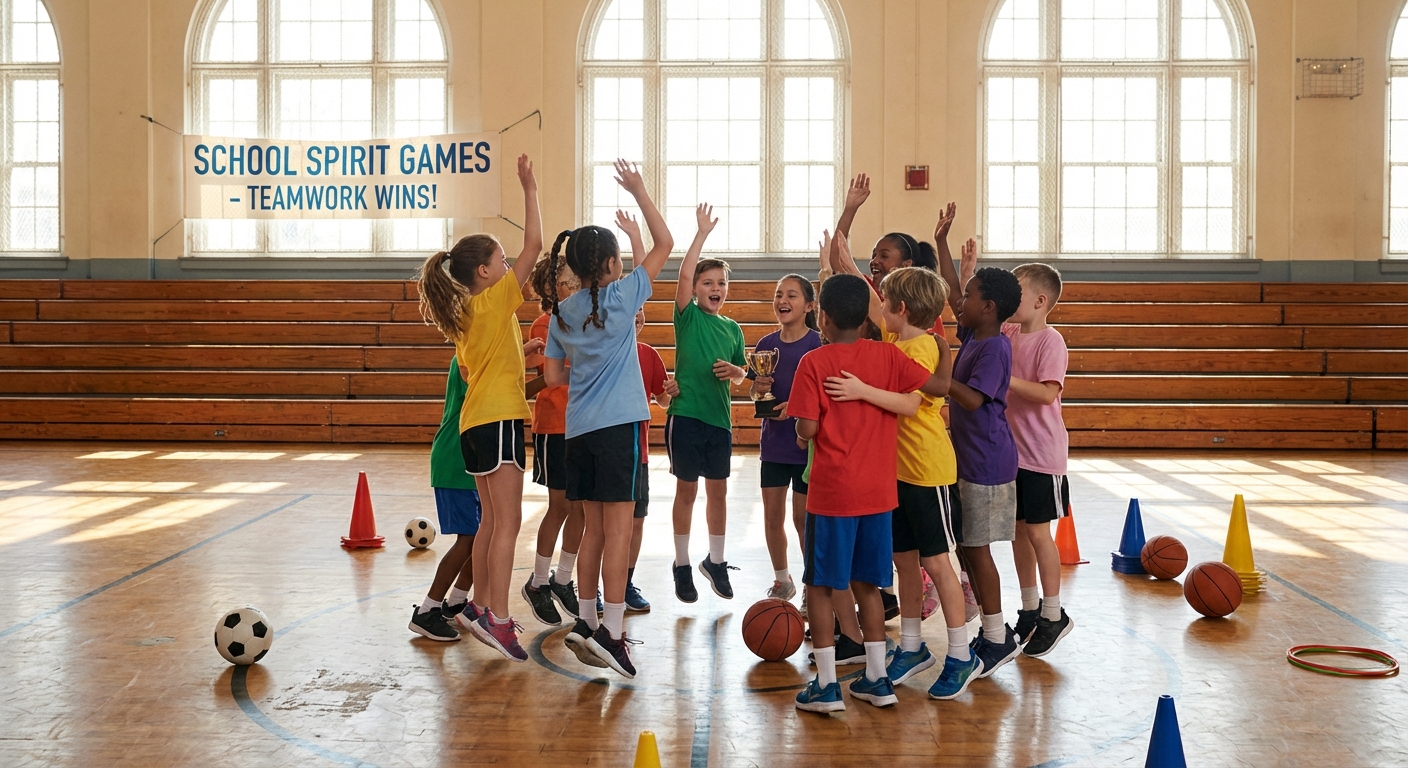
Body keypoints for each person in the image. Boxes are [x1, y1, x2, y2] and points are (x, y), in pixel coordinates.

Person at [789, 257, 952, 714]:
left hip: (832, 494)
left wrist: (803, 421)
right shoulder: (889, 355)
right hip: (879, 496)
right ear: (867, 317)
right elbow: (937, 389)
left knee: (822, 587)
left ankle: (825, 686)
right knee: (869, 587)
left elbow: (806, 429)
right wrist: (944, 346)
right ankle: (878, 679)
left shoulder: (813, 362)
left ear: (820, 316)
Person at [823, 251, 983, 700]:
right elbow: (871, 307)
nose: (882, 308)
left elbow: (912, 404)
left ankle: (960, 653)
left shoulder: (923, 347)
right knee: (905, 562)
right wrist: (848, 267)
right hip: (898, 473)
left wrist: (860, 390)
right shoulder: (900, 344)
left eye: (888, 301)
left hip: (928, 469)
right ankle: (912, 646)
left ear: (903, 310)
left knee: (936, 562)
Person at [541, 159, 673, 678]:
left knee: (592, 531)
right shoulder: (622, 297)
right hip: (618, 429)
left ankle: (588, 621)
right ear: (614, 264)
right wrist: (640, 191)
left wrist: (585, 383)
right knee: (619, 533)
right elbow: (664, 243)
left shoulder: (561, 311)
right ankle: (613, 635)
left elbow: (553, 374)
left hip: (579, 430)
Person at [415, 154, 542, 662]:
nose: (512, 264)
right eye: (503, 260)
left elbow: (494, 361)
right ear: (485, 272)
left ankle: (480, 609)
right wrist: (529, 188)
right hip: (498, 420)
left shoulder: (469, 311)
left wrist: (529, 355)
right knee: (506, 523)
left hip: (475, 425)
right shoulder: (490, 303)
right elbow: (535, 247)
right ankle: (498, 616)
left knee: (491, 522)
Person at [961, 253, 1075, 657]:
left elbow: (1047, 392)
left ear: (1040, 301)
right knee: (1018, 536)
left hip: (1042, 456)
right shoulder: (1006, 333)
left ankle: (1053, 612)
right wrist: (966, 270)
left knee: (1039, 534)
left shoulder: (1050, 340)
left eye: (1020, 292)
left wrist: (1003, 378)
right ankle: (1029, 608)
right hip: (1011, 455)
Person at [937, 235, 1025, 680]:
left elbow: (972, 400)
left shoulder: (996, 347)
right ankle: (992, 630)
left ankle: (996, 637)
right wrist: (941, 243)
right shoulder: (976, 331)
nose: (961, 301)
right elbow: (954, 292)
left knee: (978, 550)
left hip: (988, 464)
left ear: (988, 307)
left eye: (971, 297)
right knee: (969, 550)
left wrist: (938, 378)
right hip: (969, 460)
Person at [666, 206, 747, 602]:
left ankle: (715, 561)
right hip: (686, 416)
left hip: (719, 421)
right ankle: (682, 564)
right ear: (696, 289)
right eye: (708, 282)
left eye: (721, 283)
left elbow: (744, 373)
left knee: (719, 492)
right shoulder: (688, 317)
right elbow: (682, 273)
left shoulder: (733, 329)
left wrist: (735, 371)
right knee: (686, 490)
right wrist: (700, 235)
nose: (716, 288)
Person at [521, 260, 586, 626]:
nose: (574, 286)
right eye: (567, 281)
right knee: (560, 506)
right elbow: (546, 379)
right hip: (555, 426)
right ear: (552, 289)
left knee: (581, 509)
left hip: (583, 425)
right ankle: (539, 582)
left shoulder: (581, 321)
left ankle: (563, 578)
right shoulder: (545, 324)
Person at [749, 273, 822, 602]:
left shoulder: (817, 344)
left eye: (791, 295)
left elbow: (824, 397)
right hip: (774, 445)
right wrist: (758, 390)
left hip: (805, 447)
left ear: (809, 305)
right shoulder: (766, 345)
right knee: (772, 515)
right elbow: (754, 391)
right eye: (779, 294)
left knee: (802, 518)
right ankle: (782, 580)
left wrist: (796, 407)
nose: (783, 301)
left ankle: (811, 583)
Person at [406, 356, 485, 641]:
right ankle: (427, 611)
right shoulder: (467, 355)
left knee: (481, 538)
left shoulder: (477, 353)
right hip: (455, 461)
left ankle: (455, 603)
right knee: (469, 539)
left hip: (471, 462)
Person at [824, 173, 946, 339]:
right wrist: (850, 209)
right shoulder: (866, 286)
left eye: (884, 256)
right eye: (874, 255)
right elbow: (838, 259)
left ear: (905, 264)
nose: (875, 261)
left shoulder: (923, 306)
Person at [628, 308, 676, 612]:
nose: (637, 316)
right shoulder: (603, 351)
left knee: (636, 520)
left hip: (638, 451)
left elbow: (663, 398)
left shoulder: (648, 354)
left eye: (641, 311)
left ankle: (624, 582)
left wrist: (671, 391)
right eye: (630, 310)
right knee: (602, 524)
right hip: (606, 448)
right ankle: (591, 588)